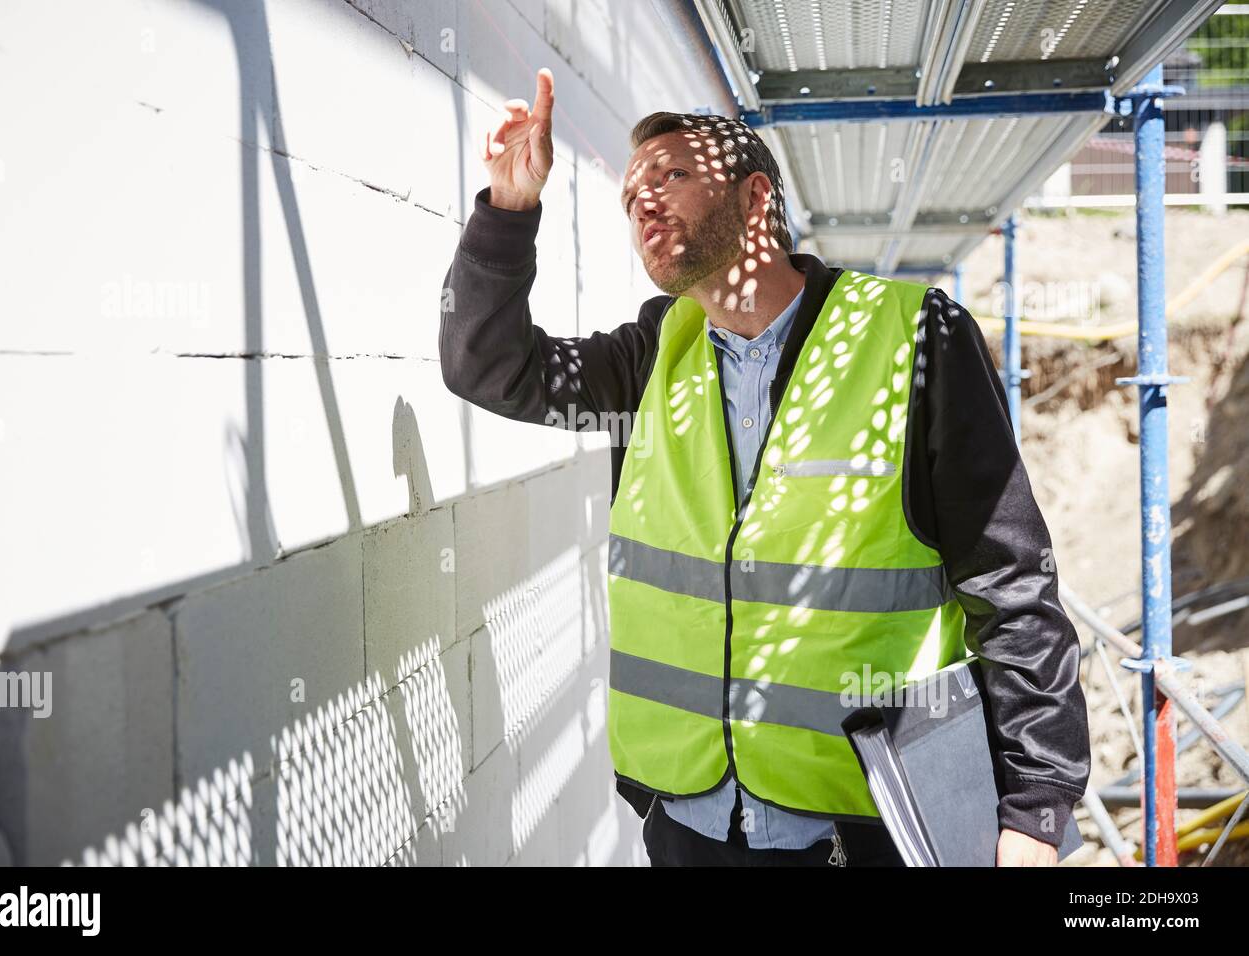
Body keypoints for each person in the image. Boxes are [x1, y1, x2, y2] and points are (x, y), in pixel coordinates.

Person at [438, 67, 1090, 867]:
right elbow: (487, 366)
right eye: (631, 192)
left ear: (754, 199)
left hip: (865, 827)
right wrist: (509, 207)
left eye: (671, 176)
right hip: (691, 825)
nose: (643, 201)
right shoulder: (653, 353)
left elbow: (1011, 581)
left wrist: (1038, 802)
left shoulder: (916, 337)